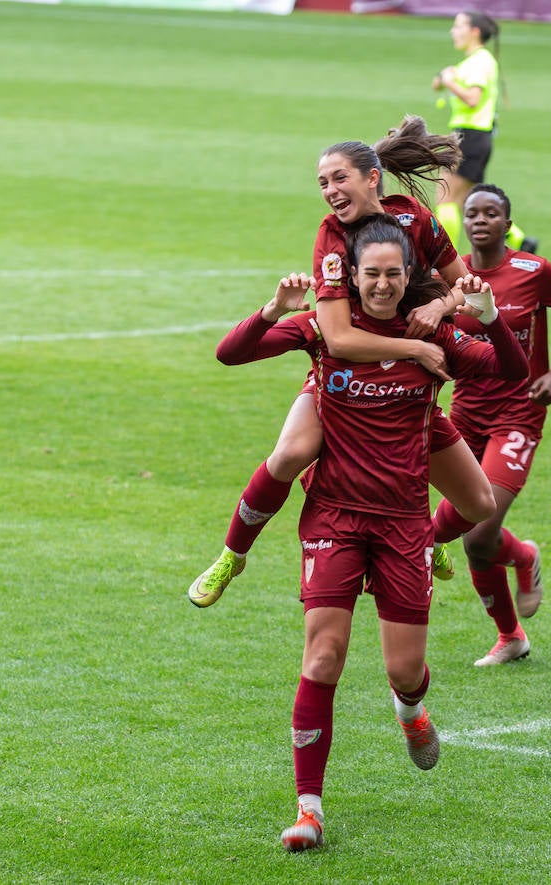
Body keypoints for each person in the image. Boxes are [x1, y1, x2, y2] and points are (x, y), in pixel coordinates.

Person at [213, 217, 527, 852]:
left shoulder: (434, 334)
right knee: (322, 658)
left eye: (393, 274)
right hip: (332, 518)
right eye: (371, 274)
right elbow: (231, 352)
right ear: (351, 278)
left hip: (404, 524)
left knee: (404, 670)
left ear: (408, 276)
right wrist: (272, 307)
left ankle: (410, 710)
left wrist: (489, 317)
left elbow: (510, 375)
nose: (382, 285)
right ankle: (308, 810)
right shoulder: (326, 332)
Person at [189, 115, 497, 609]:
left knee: (480, 504)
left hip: (404, 390)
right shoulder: (332, 236)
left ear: (372, 177)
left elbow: (467, 288)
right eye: (322, 183)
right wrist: (417, 347)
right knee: (290, 454)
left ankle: (429, 538)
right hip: (343, 375)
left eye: (339, 178)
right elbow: (337, 337)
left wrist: (440, 307)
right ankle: (232, 556)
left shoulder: (414, 219)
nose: (330, 191)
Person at [429, 184, 551, 665]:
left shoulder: (532, 271)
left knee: (477, 530)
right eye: (472, 213)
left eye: (491, 213)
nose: (480, 220)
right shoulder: (448, 278)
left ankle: (427, 542)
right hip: (467, 410)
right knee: (480, 546)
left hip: (519, 412)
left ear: (507, 222)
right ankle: (511, 631)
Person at [431, 10, 537, 255]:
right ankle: (522, 242)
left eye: (458, 26)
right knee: (472, 200)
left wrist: (448, 82)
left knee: (445, 198)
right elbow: (442, 82)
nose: (452, 31)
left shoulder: (480, 61)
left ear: (474, 32)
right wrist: (443, 79)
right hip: (474, 137)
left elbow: (472, 98)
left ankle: (445, 258)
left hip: (470, 136)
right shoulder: (471, 62)